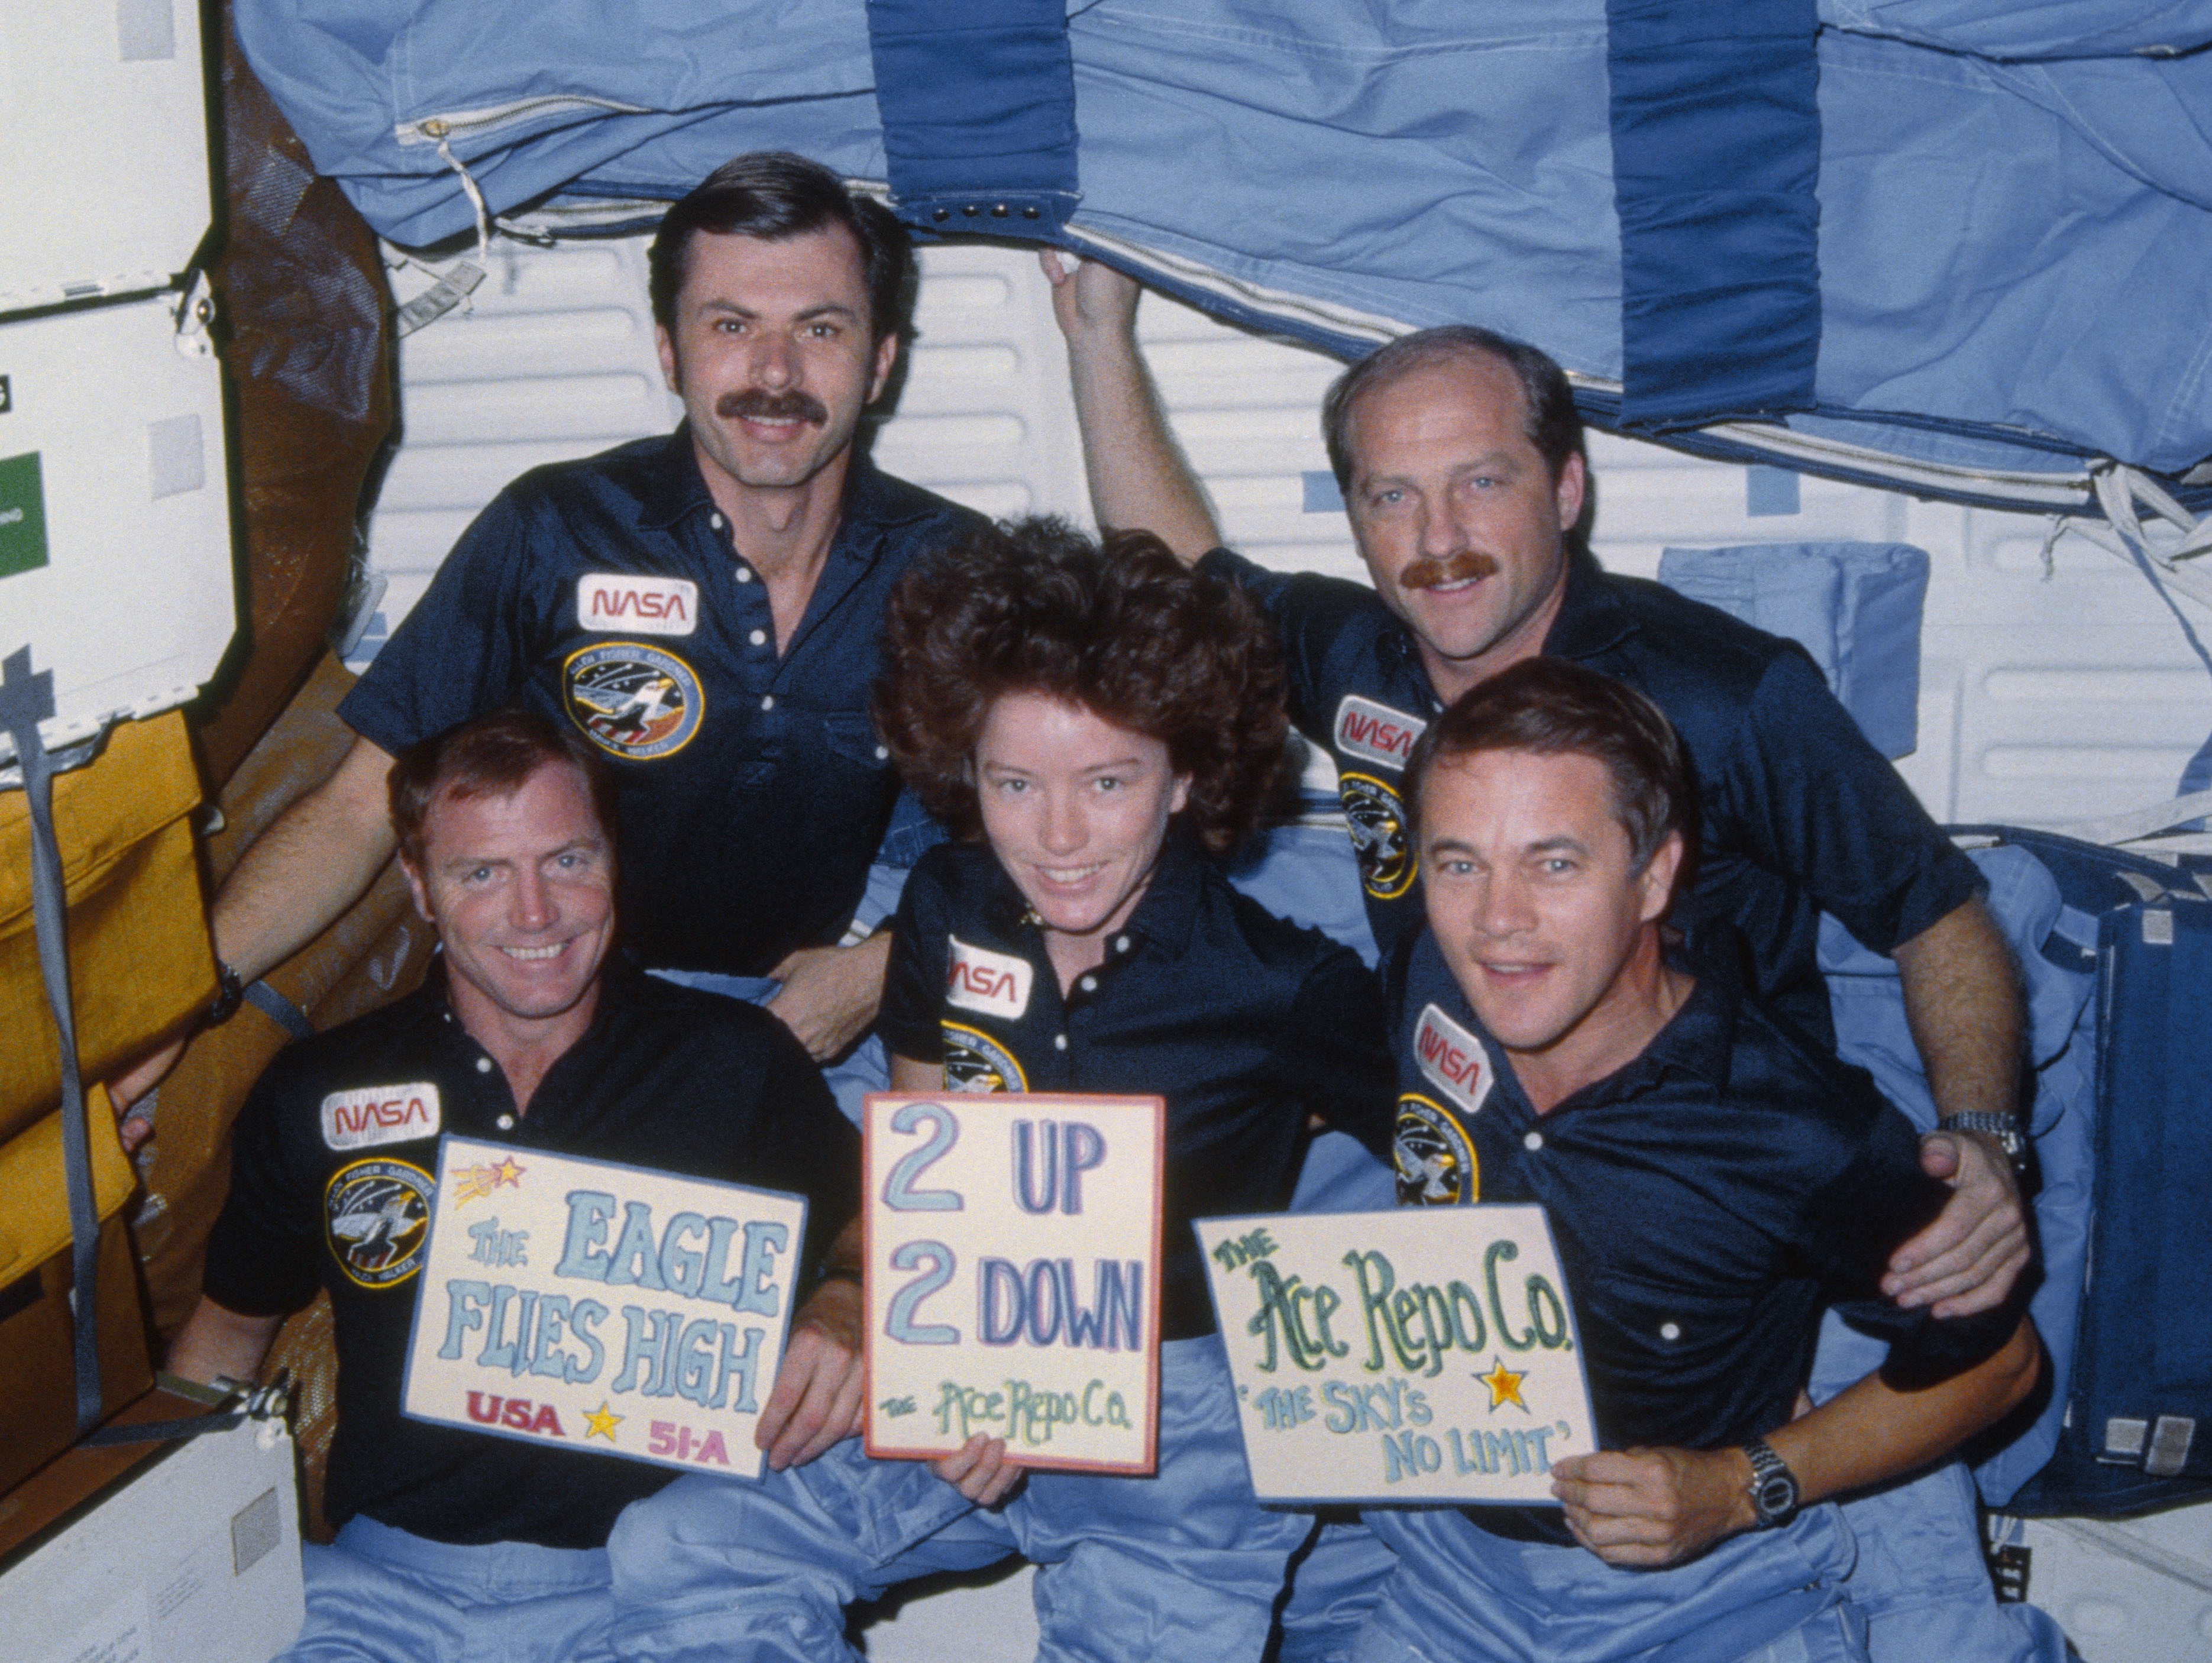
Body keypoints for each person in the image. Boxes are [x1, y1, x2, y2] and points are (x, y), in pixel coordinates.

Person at [1043, 256, 2026, 1319]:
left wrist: (1983, 1141)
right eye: (1393, 497)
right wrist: (1097, 334)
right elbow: (1184, 570)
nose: (1439, 542)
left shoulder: (1725, 695)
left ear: (1566, 489)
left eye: (1482, 482)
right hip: (1467, 1143)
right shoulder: (1363, 657)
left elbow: (1938, 916)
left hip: (1702, 1192)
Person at [604, 519, 1399, 1663]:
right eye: (1015, 781)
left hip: (1181, 1427)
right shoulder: (949, 898)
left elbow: (1475, 1174)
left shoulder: (1286, 985)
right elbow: (922, 1156)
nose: (1059, 837)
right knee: (679, 1554)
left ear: (1184, 777)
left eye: (1108, 782)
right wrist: (870, 1307)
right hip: (966, 1346)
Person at [114, 151, 988, 1125]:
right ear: (669, 350)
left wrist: (879, 968)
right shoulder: (555, 531)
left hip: (826, 1012)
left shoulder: (955, 568)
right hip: (570, 1012)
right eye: (730, 326)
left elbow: (1046, 824)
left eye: (819, 330)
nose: (773, 374)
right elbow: (362, 805)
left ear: (881, 360)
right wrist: (184, 998)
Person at [1323, 658, 2040, 1663]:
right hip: (1449, 1575)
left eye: (1555, 863)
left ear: (1654, 874)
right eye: (1459, 863)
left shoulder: (1793, 1125)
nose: (1497, 920)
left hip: (1700, 1599)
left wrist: (1745, 1487)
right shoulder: (1430, 980)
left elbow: (2003, 1368)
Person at [166, 710, 868, 1663]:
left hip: (655, 1590)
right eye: (482, 873)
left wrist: (847, 1299)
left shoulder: (735, 1062)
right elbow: (225, 1342)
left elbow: (884, 1222)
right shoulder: (323, 1088)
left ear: (614, 858)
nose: (535, 914)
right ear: (418, 885)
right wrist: (164, 1562)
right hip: (376, 1598)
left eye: (568, 860)